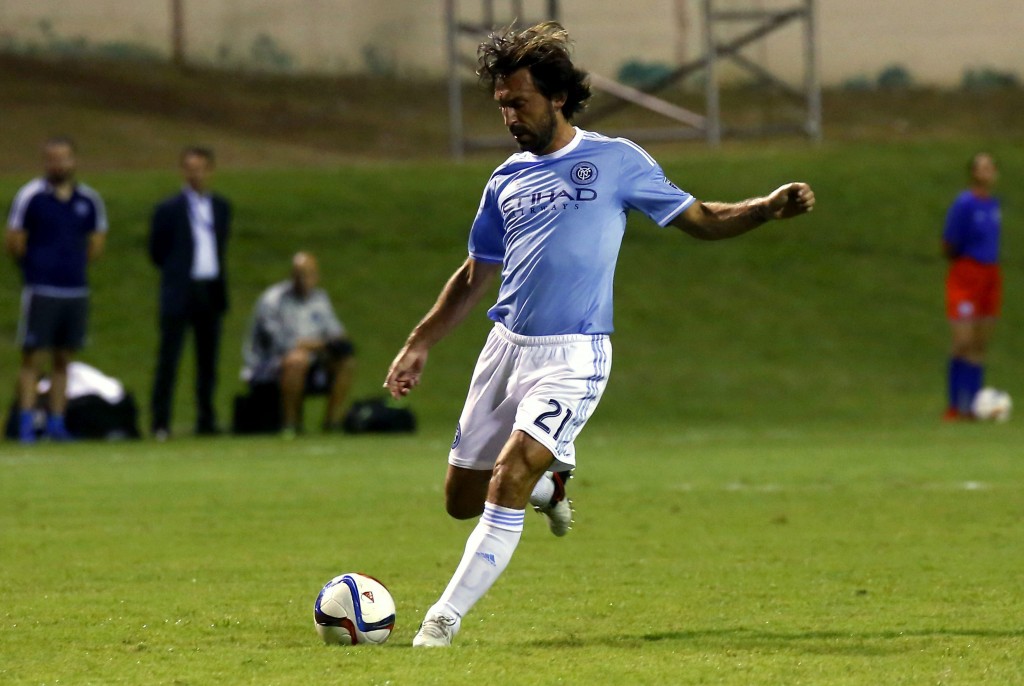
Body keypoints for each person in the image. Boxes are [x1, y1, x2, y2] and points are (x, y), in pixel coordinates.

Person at [383, 22, 815, 648]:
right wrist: (420, 341)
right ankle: (553, 475)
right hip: (504, 349)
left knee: (507, 480)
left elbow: (700, 219)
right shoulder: (504, 179)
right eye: (501, 104)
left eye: (519, 102)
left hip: (574, 354)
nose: (509, 115)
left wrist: (765, 208)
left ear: (557, 96)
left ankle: (441, 622)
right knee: (460, 500)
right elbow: (476, 273)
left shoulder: (616, 161)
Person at [5, 136, 108, 443]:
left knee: (64, 359)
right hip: (41, 288)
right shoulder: (31, 196)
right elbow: (14, 241)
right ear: (44, 161)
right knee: (32, 357)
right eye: (52, 158)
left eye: (64, 158)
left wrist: (74, 266)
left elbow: (96, 242)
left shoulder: (88, 200)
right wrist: (35, 268)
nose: (58, 164)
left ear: (73, 161)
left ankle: (57, 422)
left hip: (75, 289)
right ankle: (26, 421)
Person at [148, 146, 232, 439]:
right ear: (183, 170)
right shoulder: (168, 209)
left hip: (209, 289)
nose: (195, 173)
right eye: (190, 167)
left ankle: (206, 419)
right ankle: (160, 422)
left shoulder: (221, 207)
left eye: (201, 167)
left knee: (208, 361)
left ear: (210, 171)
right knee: (169, 359)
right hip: (180, 291)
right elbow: (156, 251)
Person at [242, 251, 355, 437]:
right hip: (268, 365)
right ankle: (291, 424)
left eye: (308, 274)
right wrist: (321, 345)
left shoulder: (320, 299)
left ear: (316, 276)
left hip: (312, 361)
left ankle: (332, 422)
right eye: (299, 274)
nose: (303, 280)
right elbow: (280, 343)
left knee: (346, 361)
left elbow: (335, 330)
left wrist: (340, 342)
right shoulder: (273, 300)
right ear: (292, 275)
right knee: (297, 359)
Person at [942, 152, 1002, 420]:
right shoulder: (964, 203)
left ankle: (975, 407)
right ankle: (955, 405)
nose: (988, 171)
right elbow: (948, 241)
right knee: (963, 341)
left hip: (991, 275)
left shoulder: (993, 205)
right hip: (967, 274)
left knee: (980, 343)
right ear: (974, 173)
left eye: (991, 167)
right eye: (983, 167)